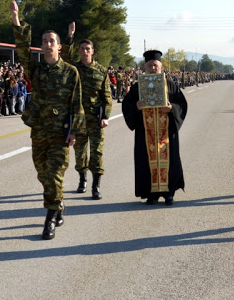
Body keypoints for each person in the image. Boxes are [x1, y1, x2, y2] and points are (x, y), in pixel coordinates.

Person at [10, 0, 85, 241]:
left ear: (60, 47)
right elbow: (22, 52)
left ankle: (50, 217)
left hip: (61, 133)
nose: (47, 44)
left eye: (51, 41)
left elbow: (77, 103)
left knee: (54, 174)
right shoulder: (36, 70)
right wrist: (15, 18)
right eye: (44, 41)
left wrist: (74, 131)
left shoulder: (70, 72)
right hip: (40, 131)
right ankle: (59, 203)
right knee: (42, 174)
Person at [122, 50, 188, 206]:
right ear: (145, 67)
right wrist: (136, 107)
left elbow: (182, 105)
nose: (153, 68)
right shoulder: (138, 87)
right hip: (146, 132)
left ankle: (168, 194)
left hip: (166, 133)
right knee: (146, 162)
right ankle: (151, 194)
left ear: (161, 67)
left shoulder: (170, 85)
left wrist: (172, 108)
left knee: (169, 162)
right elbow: (127, 105)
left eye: (155, 65)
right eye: (150, 65)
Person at [62, 22, 112, 200]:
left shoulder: (101, 71)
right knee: (80, 153)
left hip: (96, 120)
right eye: (82, 48)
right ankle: (82, 179)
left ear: (92, 51)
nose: (84, 51)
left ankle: (96, 185)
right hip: (78, 120)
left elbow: (107, 96)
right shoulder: (74, 69)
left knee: (97, 153)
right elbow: (65, 57)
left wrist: (105, 116)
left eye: (87, 49)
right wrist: (70, 36)